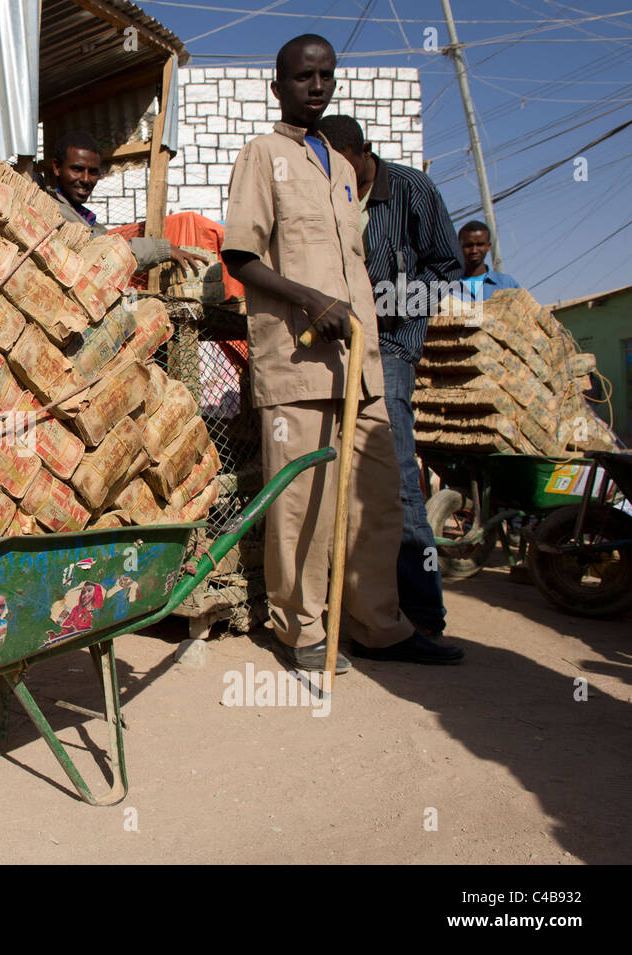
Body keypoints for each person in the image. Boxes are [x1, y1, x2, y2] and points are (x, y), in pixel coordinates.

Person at [220, 34, 464, 671]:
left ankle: (378, 626)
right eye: (304, 76)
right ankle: (298, 628)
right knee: (304, 503)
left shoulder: (342, 164)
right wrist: (312, 302)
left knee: (376, 500)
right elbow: (240, 257)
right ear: (279, 87)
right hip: (298, 363)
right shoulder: (262, 155)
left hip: (364, 362)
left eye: (327, 74)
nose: (318, 85)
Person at [317, 114, 463, 647]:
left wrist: (388, 303)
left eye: (342, 166)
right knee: (342, 483)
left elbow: (448, 271)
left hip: (393, 348)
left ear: (363, 153)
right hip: (337, 348)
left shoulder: (410, 189)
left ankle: (423, 618)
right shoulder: (328, 192)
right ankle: (360, 610)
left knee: (398, 480)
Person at [43, 130, 204, 271]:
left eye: (93, 172)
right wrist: (161, 249)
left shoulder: (82, 216)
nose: (86, 179)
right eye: (77, 169)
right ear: (57, 168)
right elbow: (106, 253)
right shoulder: (53, 211)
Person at [458, 220, 521, 301]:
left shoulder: (506, 284)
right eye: (468, 245)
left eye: (480, 245)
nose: (474, 250)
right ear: (459, 247)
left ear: (488, 247)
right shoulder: (446, 287)